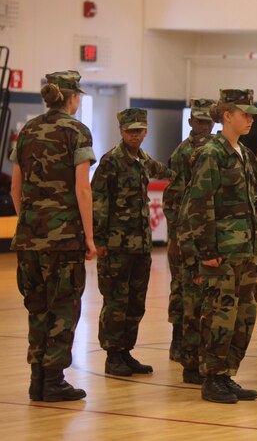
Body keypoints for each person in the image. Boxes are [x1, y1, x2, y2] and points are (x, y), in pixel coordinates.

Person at [187, 88, 257, 403]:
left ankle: (226, 373)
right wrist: (207, 251)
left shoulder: (243, 154)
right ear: (227, 115)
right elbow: (199, 204)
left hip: (247, 250)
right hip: (222, 253)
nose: (250, 119)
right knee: (220, 314)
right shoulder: (211, 154)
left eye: (251, 115)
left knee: (244, 316)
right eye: (244, 114)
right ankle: (211, 377)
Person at [10, 70, 96, 402]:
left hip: (30, 235)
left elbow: (16, 187)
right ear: (73, 98)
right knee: (62, 307)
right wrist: (89, 238)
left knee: (37, 306)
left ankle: (37, 379)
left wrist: (30, 222)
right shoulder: (76, 131)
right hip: (64, 238)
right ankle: (53, 379)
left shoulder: (28, 130)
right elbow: (82, 189)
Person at [92, 108, 173, 376]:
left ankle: (126, 352)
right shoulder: (110, 162)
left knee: (135, 302)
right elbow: (99, 203)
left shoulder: (142, 159)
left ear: (146, 131)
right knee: (116, 300)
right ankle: (113, 355)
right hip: (116, 245)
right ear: (121, 132)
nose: (135, 136)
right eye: (130, 131)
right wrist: (99, 240)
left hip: (140, 244)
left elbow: (164, 171)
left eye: (139, 131)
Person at [162, 98, 215, 363]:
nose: (203, 125)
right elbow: (171, 198)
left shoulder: (219, 149)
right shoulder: (182, 154)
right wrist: (173, 236)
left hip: (211, 233)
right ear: (190, 121)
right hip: (185, 234)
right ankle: (179, 340)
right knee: (182, 288)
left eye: (208, 120)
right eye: (199, 120)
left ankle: (201, 343)